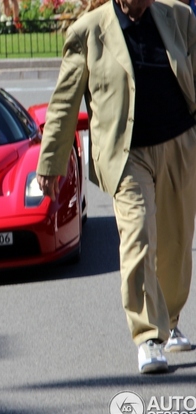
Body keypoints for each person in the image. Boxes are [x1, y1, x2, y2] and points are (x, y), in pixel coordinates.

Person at [36, 0, 196, 374]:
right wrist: (51, 162)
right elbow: (64, 102)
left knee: (175, 245)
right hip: (127, 155)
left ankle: (169, 321)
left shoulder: (179, 17)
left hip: (178, 146)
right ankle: (147, 338)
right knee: (139, 235)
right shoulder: (89, 31)